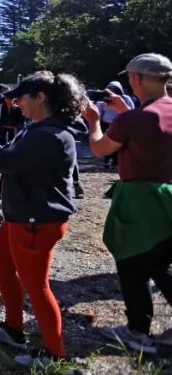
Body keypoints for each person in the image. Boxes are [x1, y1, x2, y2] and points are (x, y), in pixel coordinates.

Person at [0, 72, 82, 370]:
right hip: (20, 216)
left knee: (37, 286)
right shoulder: (37, 128)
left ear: (41, 98)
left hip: (36, 221)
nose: (15, 102)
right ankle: (13, 329)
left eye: (21, 97)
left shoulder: (48, 135)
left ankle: (54, 355)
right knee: (1, 263)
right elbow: (10, 159)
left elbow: (1, 161)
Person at [83, 53, 172, 353]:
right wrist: (126, 111)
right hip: (168, 197)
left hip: (140, 200)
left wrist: (94, 122)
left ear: (136, 78)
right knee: (162, 263)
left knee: (132, 263)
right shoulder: (152, 112)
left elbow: (99, 148)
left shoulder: (133, 119)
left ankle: (137, 331)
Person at [95, 81, 135, 170]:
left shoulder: (125, 99)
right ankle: (107, 160)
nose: (112, 91)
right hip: (106, 123)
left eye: (115, 89)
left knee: (118, 143)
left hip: (120, 123)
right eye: (110, 89)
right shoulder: (103, 98)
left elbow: (131, 110)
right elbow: (98, 111)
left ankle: (116, 161)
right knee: (106, 143)